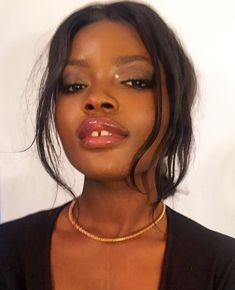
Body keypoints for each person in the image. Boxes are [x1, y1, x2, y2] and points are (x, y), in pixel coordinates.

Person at [0, 1, 235, 289]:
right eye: (74, 84)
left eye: (134, 81)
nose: (96, 98)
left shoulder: (223, 267)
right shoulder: (6, 251)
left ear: (175, 104)